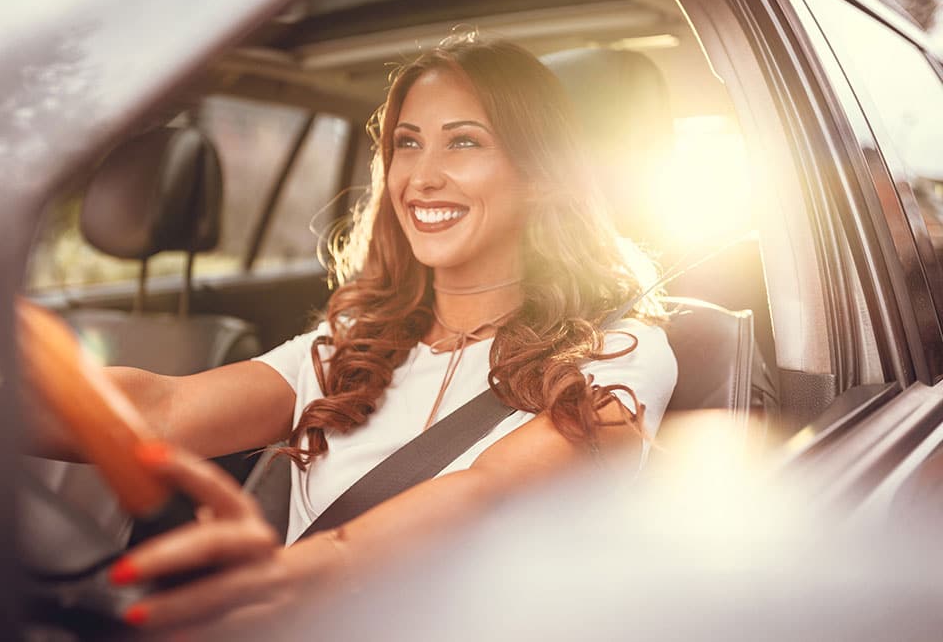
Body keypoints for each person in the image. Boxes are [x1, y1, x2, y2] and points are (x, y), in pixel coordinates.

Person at [33, 33, 678, 630]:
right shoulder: (352, 342)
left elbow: (491, 491)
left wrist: (312, 568)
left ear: (539, 177)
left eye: (464, 142)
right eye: (406, 142)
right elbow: (163, 409)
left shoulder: (618, 353)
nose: (421, 177)